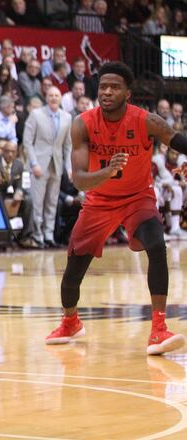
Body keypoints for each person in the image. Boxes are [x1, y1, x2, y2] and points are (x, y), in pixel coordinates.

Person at [45, 62, 187, 355]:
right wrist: (107, 172)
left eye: (114, 87)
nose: (107, 92)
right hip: (99, 201)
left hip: (137, 197)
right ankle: (70, 322)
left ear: (128, 93)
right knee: (74, 267)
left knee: (156, 244)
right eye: (103, 87)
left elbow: (178, 141)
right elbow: (79, 179)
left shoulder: (146, 121)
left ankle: (159, 329)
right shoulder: (83, 123)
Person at [23, 86, 72, 248]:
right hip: (39, 165)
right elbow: (27, 142)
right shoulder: (36, 114)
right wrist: (34, 163)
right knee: (37, 203)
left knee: (52, 202)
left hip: (56, 165)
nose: (53, 98)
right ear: (46, 97)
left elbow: (68, 146)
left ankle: (49, 235)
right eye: (50, 95)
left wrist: (69, 167)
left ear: (60, 98)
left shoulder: (67, 117)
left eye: (56, 95)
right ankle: (38, 236)